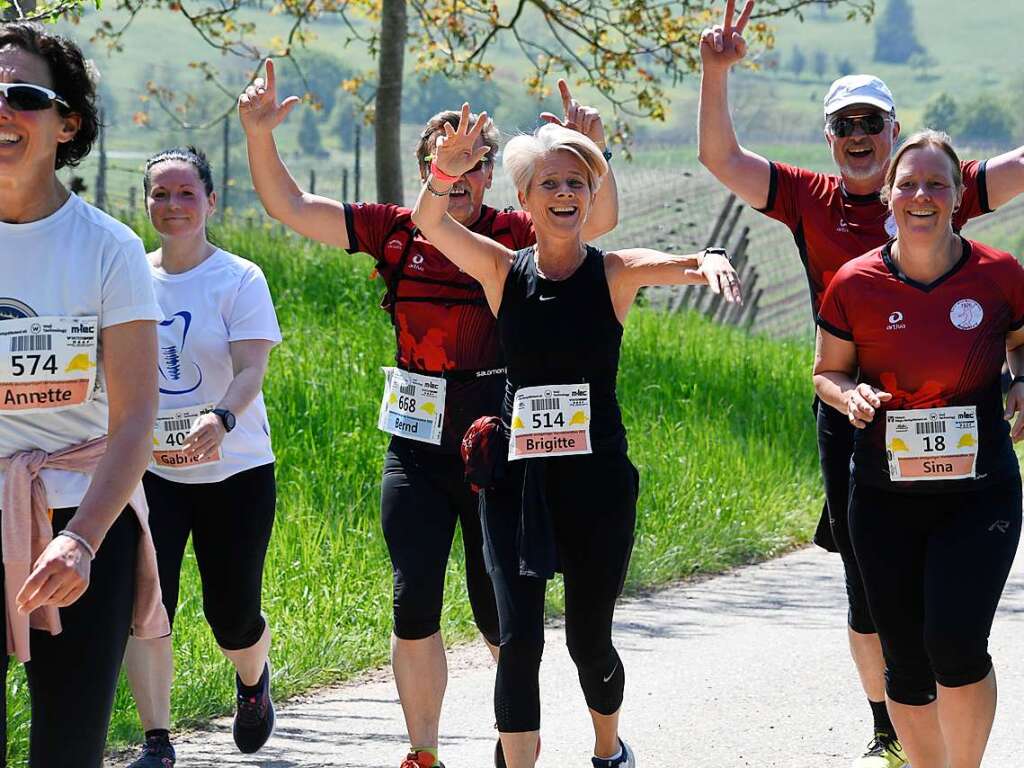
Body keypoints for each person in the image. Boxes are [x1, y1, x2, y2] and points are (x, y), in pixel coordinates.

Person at [238, 61, 619, 768]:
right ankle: (424, 753)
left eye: (476, 163)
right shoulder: (396, 234)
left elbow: (593, 219)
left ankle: (517, 740)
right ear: (426, 171)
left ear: (493, 178)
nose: (464, 177)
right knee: (413, 597)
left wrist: (588, 149)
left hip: (499, 449)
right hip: (414, 444)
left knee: (500, 613)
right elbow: (291, 207)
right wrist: (260, 136)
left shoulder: (517, 234)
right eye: (448, 164)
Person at [697, 3, 1024, 765]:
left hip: (959, 414)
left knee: (947, 622)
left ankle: (936, 724)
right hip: (855, 411)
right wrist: (716, 75)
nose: (858, 139)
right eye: (844, 127)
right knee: (868, 588)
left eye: (871, 123)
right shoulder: (812, 199)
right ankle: (888, 723)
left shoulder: (933, 182)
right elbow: (722, 159)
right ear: (829, 139)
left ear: (896, 133)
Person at [412, 106, 741, 768]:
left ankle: (607, 747)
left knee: (589, 642)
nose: (565, 195)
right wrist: (445, 174)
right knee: (520, 639)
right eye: (551, 185)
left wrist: (707, 259)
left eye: (577, 184)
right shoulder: (503, 270)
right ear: (526, 199)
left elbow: (671, 262)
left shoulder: (611, 273)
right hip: (514, 485)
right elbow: (427, 223)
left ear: (592, 198)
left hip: (596, 489)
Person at [814, 130, 1024, 768]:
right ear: (888, 195)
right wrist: (847, 397)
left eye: (937, 183)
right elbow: (827, 370)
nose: (921, 195)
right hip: (883, 498)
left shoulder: (1000, 275)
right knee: (905, 662)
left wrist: (1022, 387)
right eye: (908, 184)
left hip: (978, 493)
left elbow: (1021, 346)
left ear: (959, 197)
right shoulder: (855, 282)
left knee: (956, 646)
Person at [0, 22, 168, 767]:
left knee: (66, 751)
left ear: (67, 121)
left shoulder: (109, 248)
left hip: (81, 519)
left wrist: (83, 537)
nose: (2, 111)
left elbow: (135, 421)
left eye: (24, 96)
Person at [121, 146, 282, 767]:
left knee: (232, 613)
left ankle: (251, 683)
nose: (173, 205)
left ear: (212, 201)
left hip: (234, 470)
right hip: (152, 472)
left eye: (186, 193)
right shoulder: (129, 272)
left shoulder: (240, 277)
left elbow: (251, 368)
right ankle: (157, 741)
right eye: (160, 194)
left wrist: (221, 417)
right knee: (147, 603)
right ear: (146, 204)